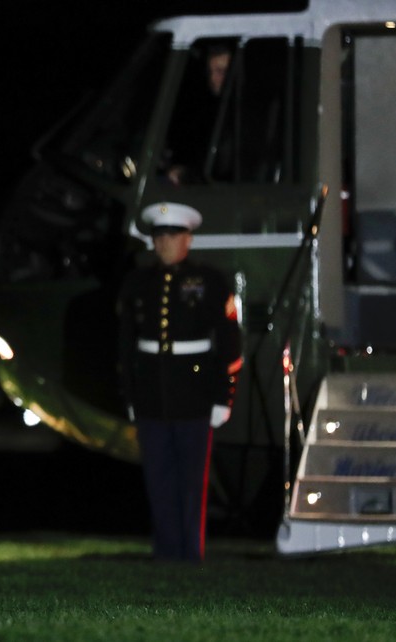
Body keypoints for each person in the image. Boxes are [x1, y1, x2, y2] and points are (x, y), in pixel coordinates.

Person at [116, 202, 242, 561]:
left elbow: (229, 342)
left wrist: (223, 396)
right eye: (159, 236)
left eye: (172, 235)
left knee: (192, 480)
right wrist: (129, 393)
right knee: (158, 477)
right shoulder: (138, 282)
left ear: (188, 238)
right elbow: (126, 342)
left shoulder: (210, 281)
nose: (165, 243)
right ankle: (166, 550)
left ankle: (191, 551)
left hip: (194, 392)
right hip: (152, 392)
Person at [165, 44, 233, 186]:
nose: (213, 78)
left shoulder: (243, 114)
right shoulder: (210, 108)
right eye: (210, 72)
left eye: (221, 71)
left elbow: (225, 170)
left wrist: (189, 175)